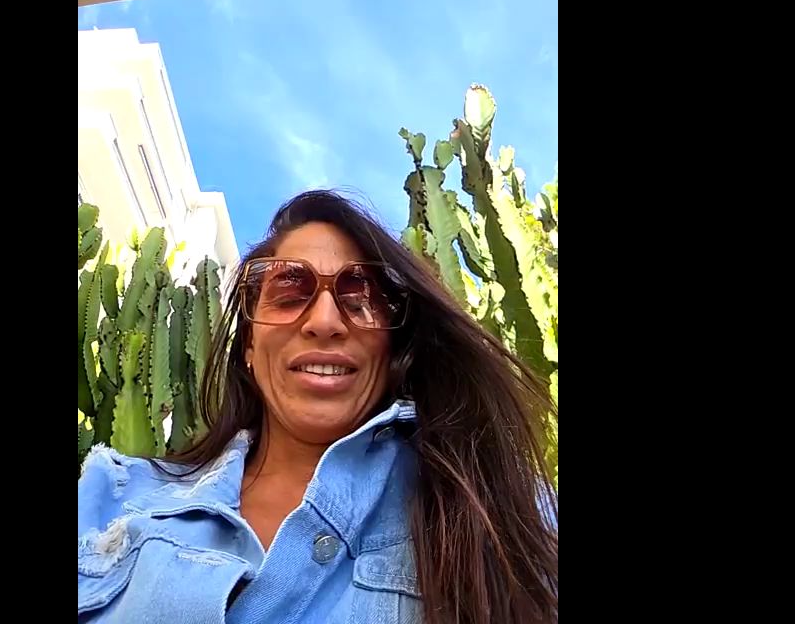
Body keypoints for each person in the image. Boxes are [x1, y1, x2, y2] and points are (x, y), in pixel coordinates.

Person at [78, 190, 558, 624]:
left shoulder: (499, 505)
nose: (325, 321)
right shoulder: (110, 496)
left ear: (392, 350)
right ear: (249, 344)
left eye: (361, 298)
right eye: (290, 293)